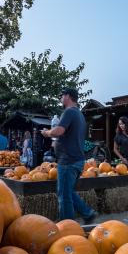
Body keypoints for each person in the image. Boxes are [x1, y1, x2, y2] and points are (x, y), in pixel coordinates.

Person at [41, 88, 98, 224]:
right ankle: (88, 213)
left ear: (68, 96)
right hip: (77, 160)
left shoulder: (69, 112)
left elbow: (59, 130)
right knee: (68, 191)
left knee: (64, 195)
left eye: (62, 96)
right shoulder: (79, 114)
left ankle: (67, 226)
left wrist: (47, 133)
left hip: (68, 161)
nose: (61, 98)